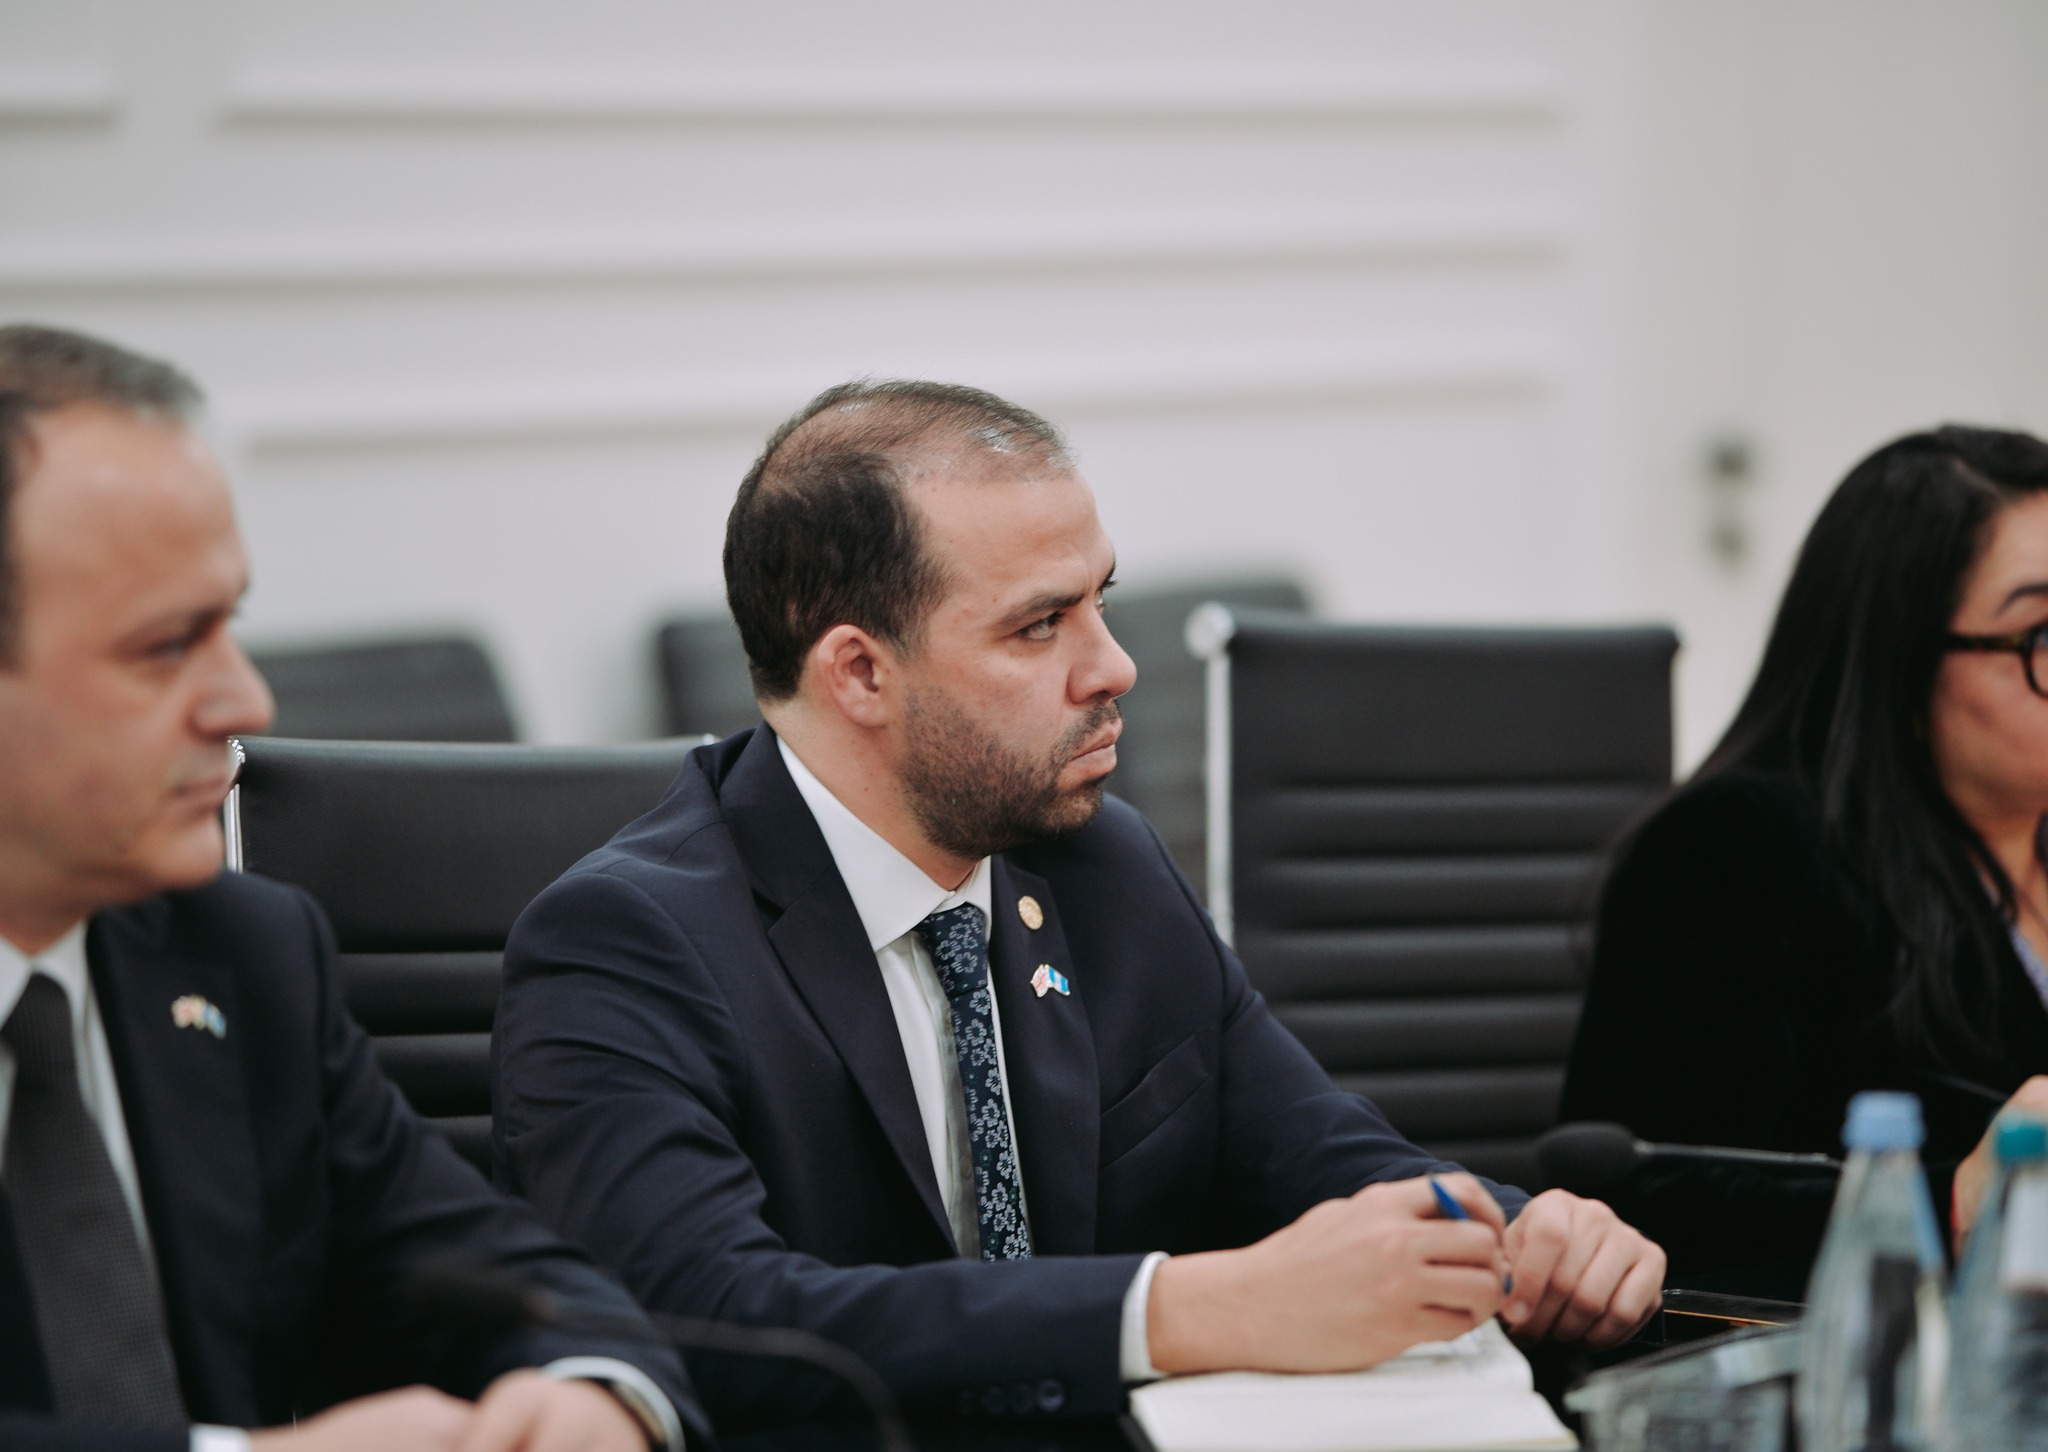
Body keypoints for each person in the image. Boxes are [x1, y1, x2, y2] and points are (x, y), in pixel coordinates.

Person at [490, 379, 1664, 1427]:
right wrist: (1184, 1309)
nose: (1113, 667)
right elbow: (704, 1319)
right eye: (1040, 624)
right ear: (859, 672)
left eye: (1100, 601)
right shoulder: (625, 944)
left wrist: (1510, 1234)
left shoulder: (1100, 863)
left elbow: (1310, 1146)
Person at [0, 325, 706, 1452]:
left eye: (228, 624)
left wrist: (589, 1389)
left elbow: (495, 1271)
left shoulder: (237, 951)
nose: (245, 702)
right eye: (165, 646)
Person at [1564, 424, 2048, 1301]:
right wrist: (1949, 1203)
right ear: (1901, 664)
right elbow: (1639, 1207)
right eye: (2042, 635)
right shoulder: (1737, 853)